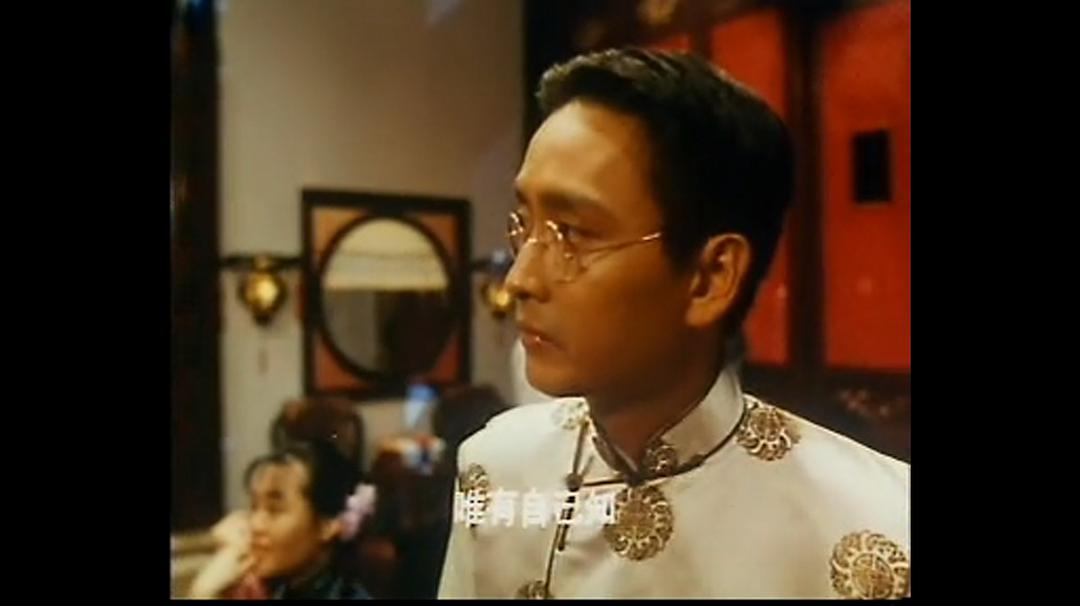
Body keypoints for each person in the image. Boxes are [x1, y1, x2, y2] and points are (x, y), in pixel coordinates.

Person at [437, 47, 909, 599]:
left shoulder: (880, 528)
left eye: (574, 234)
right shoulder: (495, 467)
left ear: (710, 277)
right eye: (525, 225)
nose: (520, 279)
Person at [189, 440, 376, 599]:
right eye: (254, 507)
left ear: (328, 525)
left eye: (274, 510)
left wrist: (201, 593)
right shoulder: (267, 586)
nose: (255, 524)